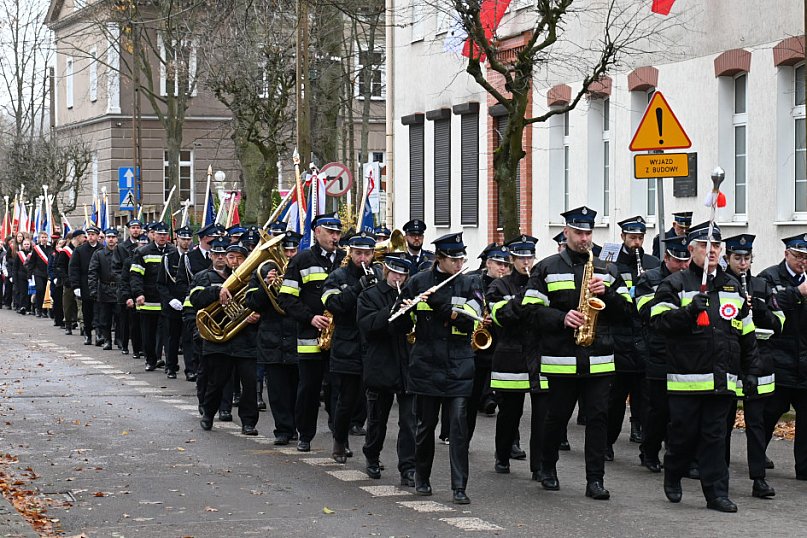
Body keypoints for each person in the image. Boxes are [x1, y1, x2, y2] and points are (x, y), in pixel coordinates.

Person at [651, 221, 762, 513]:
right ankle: (673, 474)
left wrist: (752, 370)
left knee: (715, 438)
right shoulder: (675, 283)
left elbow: (745, 330)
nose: (711, 251)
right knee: (683, 436)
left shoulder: (732, 285)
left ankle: (716, 494)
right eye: (704, 245)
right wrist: (688, 312)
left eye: (716, 246)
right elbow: (659, 322)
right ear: (691, 250)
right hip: (687, 379)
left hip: (722, 379)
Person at [521, 206, 632, 500]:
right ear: (566, 232)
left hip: (598, 359)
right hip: (561, 359)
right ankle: (547, 467)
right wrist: (561, 318)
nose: (584, 239)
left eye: (588, 233)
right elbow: (530, 311)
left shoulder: (607, 269)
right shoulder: (547, 267)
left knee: (598, 419)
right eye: (579, 233)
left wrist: (606, 294)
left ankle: (595, 480)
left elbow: (627, 313)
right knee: (556, 418)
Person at [393, 232, 481, 505]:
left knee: (458, 426)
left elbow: (471, 321)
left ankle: (459, 487)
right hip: (426, 363)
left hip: (458, 363)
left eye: (461, 258)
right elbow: (398, 322)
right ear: (440, 259)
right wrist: (405, 310)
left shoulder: (469, 284)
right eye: (454, 259)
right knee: (425, 426)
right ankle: (422, 478)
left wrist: (442, 308)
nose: (459, 263)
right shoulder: (419, 282)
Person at [277, 212, 345, 452]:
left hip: (340, 338)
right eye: (330, 233)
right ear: (317, 233)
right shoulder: (302, 260)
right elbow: (286, 298)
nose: (335, 237)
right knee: (309, 389)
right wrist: (310, 317)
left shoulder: (345, 260)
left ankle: (340, 438)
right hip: (311, 336)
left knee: (339, 389)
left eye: (338, 233)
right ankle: (305, 434)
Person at [722, 233, 781, 498]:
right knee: (722, 422)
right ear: (728, 259)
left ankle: (759, 478)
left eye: (746, 259)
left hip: (758, 363)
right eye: (737, 258)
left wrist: (759, 309)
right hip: (729, 362)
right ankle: (719, 473)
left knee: (756, 425)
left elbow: (778, 324)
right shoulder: (720, 285)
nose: (742, 263)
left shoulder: (762, 286)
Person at [488, 234, 549, 480]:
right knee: (510, 413)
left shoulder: (542, 282)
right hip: (510, 355)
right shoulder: (499, 286)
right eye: (521, 257)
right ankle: (502, 455)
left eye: (530, 257)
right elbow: (502, 317)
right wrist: (526, 298)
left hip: (540, 354)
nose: (526, 262)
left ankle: (540, 467)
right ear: (512, 259)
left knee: (543, 416)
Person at [633, 232, 691, 473]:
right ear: (666, 258)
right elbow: (645, 310)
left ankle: (678, 455)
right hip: (657, 349)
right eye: (679, 261)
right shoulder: (649, 279)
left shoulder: (692, 279)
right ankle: (649, 451)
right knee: (658, 409)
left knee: (682, 412)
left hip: (685, 353)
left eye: (686, 261)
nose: (683, 265)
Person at [322, 231, 381, 463]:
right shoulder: (338, 276)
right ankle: (339, 442)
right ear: (350, 252)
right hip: (347, 345)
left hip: (373, 346)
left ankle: (372, 451)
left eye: (367, 253)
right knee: (346, 399)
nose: (363, 258)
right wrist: (357, 288)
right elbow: (334, 304)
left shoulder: (378, 274)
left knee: (372, 402)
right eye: (358, 253)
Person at [607, 216, 660, 459]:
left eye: (640, 238)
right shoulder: (612, 264)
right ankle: (607, 442)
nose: (636, 243)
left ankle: (640, 431)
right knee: (615, 398)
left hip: (644, 336)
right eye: (632, 238)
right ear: (623, 238)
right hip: (620, 335)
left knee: (646, 395)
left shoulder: (651, 263)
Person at [193, 242, 260, 435]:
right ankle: (208, 413)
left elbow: (262, 301)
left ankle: (248, 422)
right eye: (231, 257)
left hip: (246, 339)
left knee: (249, 383)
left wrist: (255, 314)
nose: (235, 261)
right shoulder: (205, 277)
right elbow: (195, 300)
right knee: (216, 381)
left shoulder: (253, 279)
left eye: (240, 258)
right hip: (218, 340)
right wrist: (216, 291)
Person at [245, 230, 302, 444]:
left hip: (296, 335)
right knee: (277, 390)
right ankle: (283, 430)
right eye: (285, 250)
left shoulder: (301, 268)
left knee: (298, 387)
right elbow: (251, 301)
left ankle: (298, 427)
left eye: (292, 250)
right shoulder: (264, 271)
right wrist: (266, 286)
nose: (288, 255)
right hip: (272, 338)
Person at [760, 233, 807, 481]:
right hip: (778, 360)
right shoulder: (770, 277)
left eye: (806, 258)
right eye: (798, 256)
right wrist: (797, 292)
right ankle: (757, 456)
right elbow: (766, 308)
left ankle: (804, 468)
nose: (802, 262)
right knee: (769, 414)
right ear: (786, 254)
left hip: (804, 362)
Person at [130, 222, 175, 371]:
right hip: (149, 299)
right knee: (148, 333)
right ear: (153, 235)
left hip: (167, 300)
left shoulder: (173, 251)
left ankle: (168, 362)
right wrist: (139, 293)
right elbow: (136, 275)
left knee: (168, 334)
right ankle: (151, 359)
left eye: (164, 234)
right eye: (159, 234)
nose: (162, 237)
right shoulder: (143, 252)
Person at [157, 226, 192, 379]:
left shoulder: (192, 258)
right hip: (172, 305)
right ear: (177, 239)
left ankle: (190, 369)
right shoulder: (168, 258)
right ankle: (171, 366)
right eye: (183, 239)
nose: (186, 242)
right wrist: (170, 300)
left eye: (188, 239)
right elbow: (160, 284)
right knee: (172, 338)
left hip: (188, 304)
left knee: (188, 339)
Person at [69, 226, 103, 345]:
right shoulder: (80, 250)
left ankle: (99, 334)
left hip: (100, 283)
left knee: (99, 311)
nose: (91, 237)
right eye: (89, 235)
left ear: (98, 236)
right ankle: (87, 334)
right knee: (87, 311)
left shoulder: (102, 249)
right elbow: (74, 269)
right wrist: (76, 286)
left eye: (93, 234)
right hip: (85, 284)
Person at [88, 228, 120, 350]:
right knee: (105, 318)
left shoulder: (122, 252)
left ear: (117, 238)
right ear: (105, 239)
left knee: (120, 317)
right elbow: (92, 272)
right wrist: (93, 289)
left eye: (113, 237)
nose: (111, 240)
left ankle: (119, 339)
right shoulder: (99, 254)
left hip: (118, 288)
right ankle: (107, 340)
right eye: (108, 237)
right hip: (104, 288)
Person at [56, 230, 85, 335]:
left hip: (79, 281)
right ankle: (68, 324)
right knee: (68, 304)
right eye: (83, 237)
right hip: (68, 282)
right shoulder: (65, 251)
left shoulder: (81, 249)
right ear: (77, 237)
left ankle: (82, 325)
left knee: (81, 304)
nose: (84, 239)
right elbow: (60, 267)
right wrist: (66, 279)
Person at [27, 231, 52, 318]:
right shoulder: (36, 249)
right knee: (40, 290)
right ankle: (39, 309)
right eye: (42, 237)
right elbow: (32, 262)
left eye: (45, 237)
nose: (44, 239)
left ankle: (45, 310)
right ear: (39, 238)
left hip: (47, 273)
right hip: (38, 273)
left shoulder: (50, 248)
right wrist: (29, 274)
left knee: (46, 292)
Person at [11, 237, 32, 314]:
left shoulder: (32, 253)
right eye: (25, 244)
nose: (26, 245)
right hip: (21, 275)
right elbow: (15, 267)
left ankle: (29, 307)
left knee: (29, 292)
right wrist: (14, 277)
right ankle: (22, 307)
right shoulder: (19, 254)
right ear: (22, 245)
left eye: (28, 244)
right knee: (23, 292)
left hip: (30, 276)